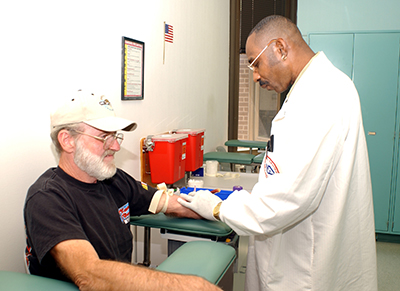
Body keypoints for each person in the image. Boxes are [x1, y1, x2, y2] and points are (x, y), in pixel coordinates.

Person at [179, 15, 378, 291]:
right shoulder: (311, 90)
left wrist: (216, 207)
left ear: (281, 48)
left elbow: (285, 199)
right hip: (296, 248)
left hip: (304, 266)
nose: (255, 75)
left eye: (256, 63)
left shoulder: (322, 96)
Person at [24, 91, 221, 291]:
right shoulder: (47, 198)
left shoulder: (112, 179)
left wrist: (219, 210)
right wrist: (187, 285)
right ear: (67, 141)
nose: (116, 146)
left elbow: (168, 203)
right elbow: (89, 274)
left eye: (116, 136)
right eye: (104, 137)